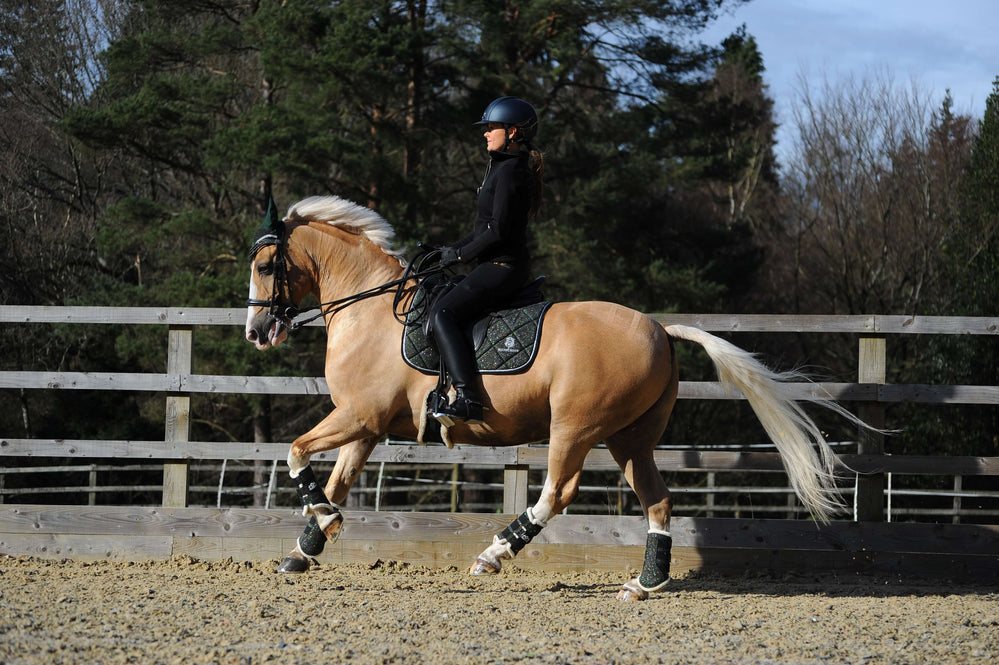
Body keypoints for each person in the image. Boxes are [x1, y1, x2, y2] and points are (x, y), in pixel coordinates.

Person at [430, 96, 545, 424]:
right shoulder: (501, 168)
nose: (485, 133)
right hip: (492, 264)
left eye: (492, 128)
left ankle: (469, 399)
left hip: (504, 268)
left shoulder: (510, 173)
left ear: (513, 132)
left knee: (443, 313)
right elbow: (483, 229)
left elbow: (497, 234)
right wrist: (446, 251)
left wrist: (461, 254)